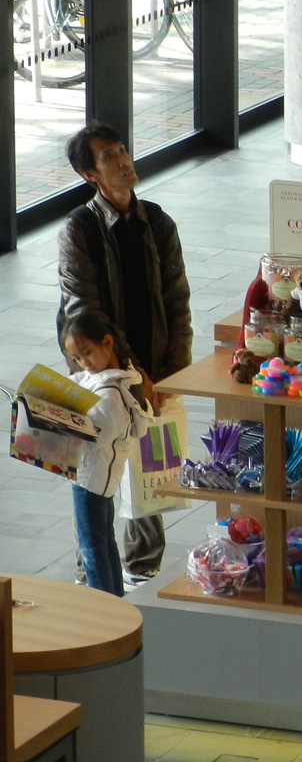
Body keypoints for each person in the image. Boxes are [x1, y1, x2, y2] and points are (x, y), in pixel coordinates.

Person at [58, 121, 193, 590]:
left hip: (155, 370)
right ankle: (90, 580)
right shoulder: (79, 230)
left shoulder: (157, 221)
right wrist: (133, 374)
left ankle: (143, 573)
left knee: (153, 480)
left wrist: (175, 373)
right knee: (96, 475)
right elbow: (86, 314)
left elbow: (178, 302)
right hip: (102, 375)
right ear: (89, 174)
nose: (123, 161)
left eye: (122, 151)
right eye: (109, 157)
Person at [62, 312, 155, 597]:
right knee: (104, 542)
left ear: (107, 343)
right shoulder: (121, 378)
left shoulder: (111, 395)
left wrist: (57, 421)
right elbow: (82, 381)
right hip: (100, 477)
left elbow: (94, 435)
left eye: (87, 353)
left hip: (91, 478)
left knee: (93, 548)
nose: (84, 363)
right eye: (77, 358)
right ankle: (115, 601)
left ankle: (106, 607)